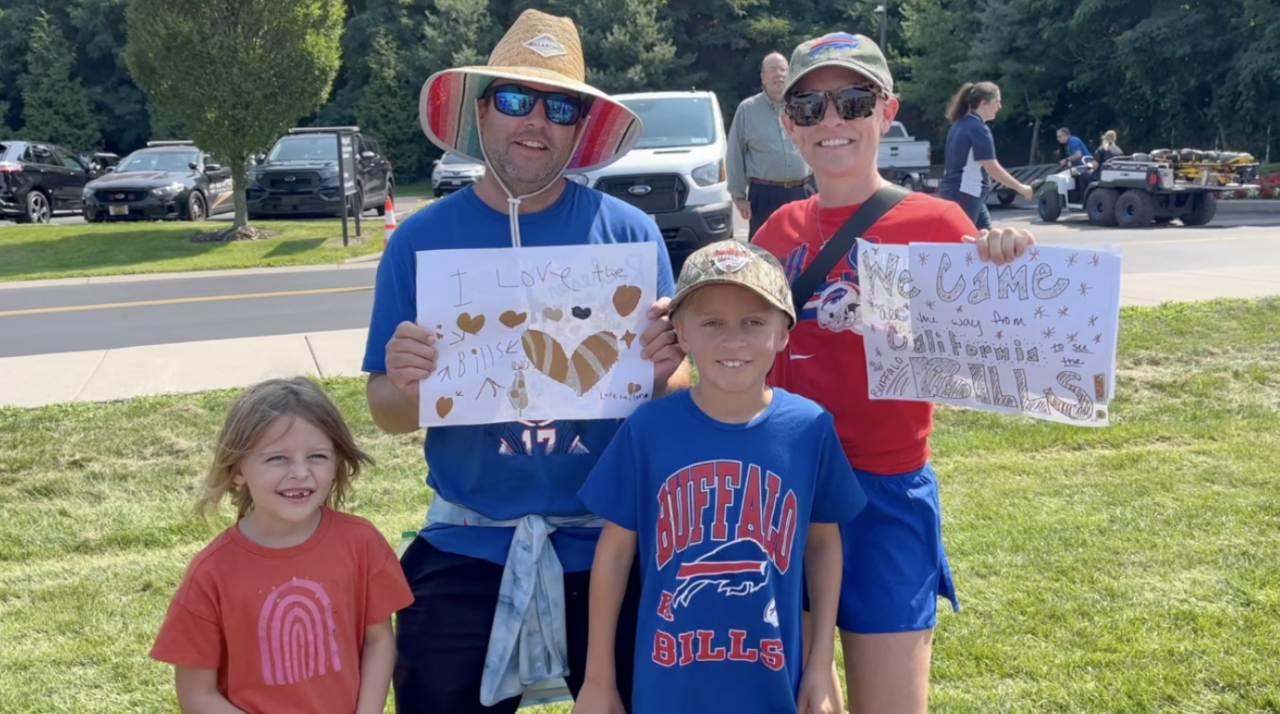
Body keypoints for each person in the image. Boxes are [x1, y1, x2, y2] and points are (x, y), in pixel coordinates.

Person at [362, 9, 691, 714]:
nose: (537, 120)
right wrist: (407, 379)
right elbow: (386, 413)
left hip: (608, 541)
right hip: (468, 539)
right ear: (482, 111)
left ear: (580, 128)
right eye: (515, 98)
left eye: (561, 106)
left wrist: (666, 370)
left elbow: (671, 389)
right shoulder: (420, 242)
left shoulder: (628, 236)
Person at [751, 32, 1035, 713]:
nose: (832, 120)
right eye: (810, 107)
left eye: (853, 101)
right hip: (787, 491)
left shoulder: (939, 224)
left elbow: (1008, 341)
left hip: (885, 492)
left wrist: (1008, 262)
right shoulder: (775, 234)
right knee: (799, 701)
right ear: (789, 124)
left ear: (887, 110)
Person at [573, 239, 866, 714]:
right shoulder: (648, 429)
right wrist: (598, 680)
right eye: (712, 322)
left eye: (754, 322)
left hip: (772, 683)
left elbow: (823, 545)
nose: (733, 340)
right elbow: (615, 552)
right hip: (669, 687)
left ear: (784, 333)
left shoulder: (809, 428)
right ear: (682, 332)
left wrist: (821, 662)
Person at [149, 377, 414, 714]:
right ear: (238, 469)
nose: (300, 472)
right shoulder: (211, 573)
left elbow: (378, 641)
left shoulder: (361, 543)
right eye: (277, 458)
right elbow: (197, 694)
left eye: (317, 456)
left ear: (337, 461)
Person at [727, 51, 814, 239]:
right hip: (765, 195)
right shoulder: (747, 110)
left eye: (783, 70)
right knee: (765, 248)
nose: (779, 74)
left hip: (802, 191)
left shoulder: (804, 105)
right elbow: (735, 154)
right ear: (763, 77)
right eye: (773, 70)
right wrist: (739, 197)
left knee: (807, 246)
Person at [937, 81, 1034, 230]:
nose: (999, 106)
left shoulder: (959, 124)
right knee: (964, 240)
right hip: (967, 193)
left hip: (959, 191)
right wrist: (1020, 188)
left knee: (985, 236)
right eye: (997, 102)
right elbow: (991, 167)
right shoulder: (979, 129)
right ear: (983, 103)